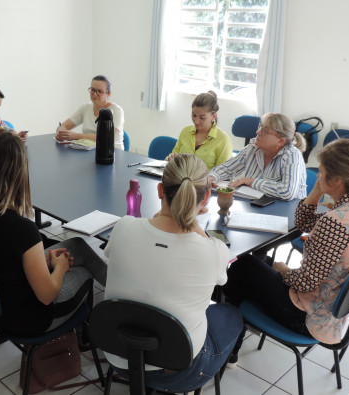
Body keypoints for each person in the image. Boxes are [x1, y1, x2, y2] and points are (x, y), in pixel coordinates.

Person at [103, 154, 244, 392]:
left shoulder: (124, 227)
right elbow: (221, 280)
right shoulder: (213, 251)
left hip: (119, 358)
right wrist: (193, 223)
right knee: (231, 314)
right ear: (206, 197)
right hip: (180, 372)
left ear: (160, 190)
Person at [224, 139, 349, 345]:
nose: (318, 175)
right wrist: (316, 191)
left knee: (239, 265)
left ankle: (229, 340)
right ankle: (238, 327)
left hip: (305, 317)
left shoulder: (335, 222)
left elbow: (304, 282)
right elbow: (305, 223)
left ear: (336, 180)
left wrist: (283, 269)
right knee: (260, 263)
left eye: (322, 172)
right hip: (330, 311)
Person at [0, 132, 107, 336]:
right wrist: (59, 268)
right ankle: (110, 315)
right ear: (19, 173)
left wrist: (44, 261)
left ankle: (124, 295)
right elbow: (47, 295)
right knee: (84, 273)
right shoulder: (21, 229)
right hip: (32, 319)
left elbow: (2, 257)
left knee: (77, 245)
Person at [210, 112, 307, 200]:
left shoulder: (292, 155)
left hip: (288, 210)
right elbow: (227, 168)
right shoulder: (253, 147)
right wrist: (212, 177)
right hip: (257, 204)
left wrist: (251, 181)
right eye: (260, 127)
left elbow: (287, 192)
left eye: (264, 131)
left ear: (281, 141)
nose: (258, 132)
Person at [166, 91, 233, 170]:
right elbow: (172, 157)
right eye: (194, 115)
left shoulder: (223, 140)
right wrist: (171, 159)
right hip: (180, 180)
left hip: (206, 182)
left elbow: (222, 174)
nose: (196, 121)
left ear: (214, 116)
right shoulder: (185, 131)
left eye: (202, 117)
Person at [55, 75, 125, 149]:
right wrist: (61, 133)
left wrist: (76, 136)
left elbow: (105, 136)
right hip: (88, 151)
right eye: (93, 90)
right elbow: (63, 126)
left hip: (112, 153)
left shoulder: (116, 110)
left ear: (108, 94)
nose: (95, 94)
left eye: (99, 91)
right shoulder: (85, 108)